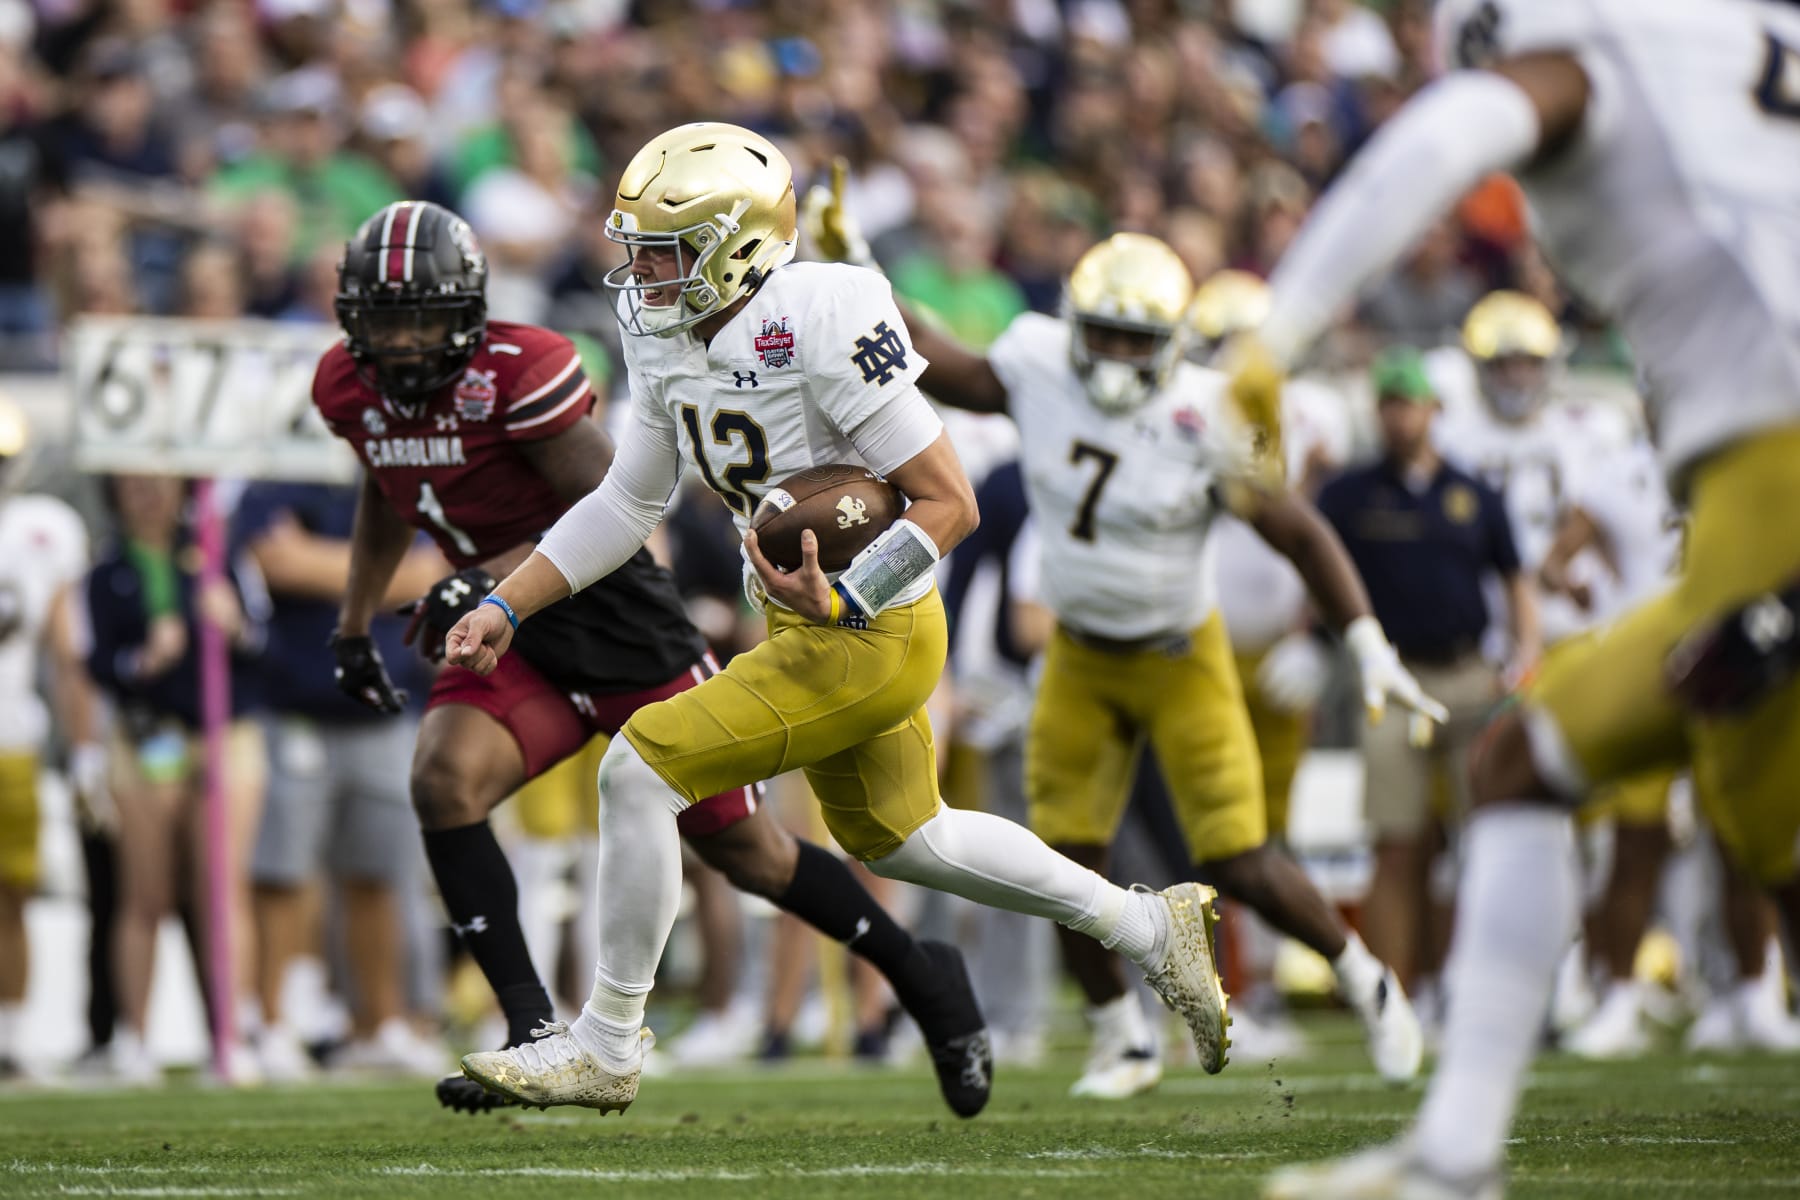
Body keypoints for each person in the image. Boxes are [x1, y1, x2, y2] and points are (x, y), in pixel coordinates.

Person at [443, 122, 1231, 1114]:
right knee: (908, 838)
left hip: (872, 626)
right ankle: (1151, 929)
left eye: (662, 250)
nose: (639, 271)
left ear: (735, 245)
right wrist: (510, 600)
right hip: (804, 622)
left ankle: (606, 1042)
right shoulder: (664, 328)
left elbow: (948, 500)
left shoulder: (821, 310)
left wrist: (849, 593)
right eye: (635, 246)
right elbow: (629, 501)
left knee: (637, 771)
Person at [1231, 1, 1800, 1194]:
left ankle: (1454, 1159)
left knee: (1764, 840)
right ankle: (1455, 1155)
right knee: (1535, 771)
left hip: (1776, 480)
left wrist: (1268, 338)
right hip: (1755, 505)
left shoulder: (1583, 57)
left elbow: (1444, 140)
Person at [314, 197, 992, 1118]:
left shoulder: (521, 371)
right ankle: (534, 1033)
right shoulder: (348, 391)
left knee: (749, 852)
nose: (401, 344)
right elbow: (389, 487)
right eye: (383, 322)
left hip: (620, 629)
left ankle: (921, 974)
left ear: (466, 310)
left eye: (421, 318)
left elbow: (609, 511)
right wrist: (356, 620)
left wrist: (484, 579)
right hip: (517, 637)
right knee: (442, 781)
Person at [870, 230, 1438, 1095]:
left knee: (1238, 856)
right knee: (1059, 861)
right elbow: (939, 364)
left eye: (1139, 338)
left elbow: (1299, 532)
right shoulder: (1037, 365)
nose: (1120, 354)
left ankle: (1365, 977)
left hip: (1181, 655)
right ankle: (1120, 1037)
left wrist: (1364, 641)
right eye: (1104, 332)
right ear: (1072, 326)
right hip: (1080, 656)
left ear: (1173, 339)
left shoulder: (1210, 412)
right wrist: (863, 279)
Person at [1315, 349, 1533, 1002]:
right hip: (1393, 675)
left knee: (1483, 842)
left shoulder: (1473, 492)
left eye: (1408, 403)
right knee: (1398, 843)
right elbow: (1317, 574)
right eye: (1388, 403)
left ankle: (1475, 987)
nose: (1398, 416)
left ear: (1434, 410)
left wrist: (1525, 655)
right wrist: (1313, 642)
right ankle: (1396, 995)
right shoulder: (1350, 494)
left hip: (1469, 673)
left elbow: (1515, 578)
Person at [0, 397, 103, 1078]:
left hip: (11, 735)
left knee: (10, 892)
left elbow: (68, 655)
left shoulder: (39, 528)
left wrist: (87, 746)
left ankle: (8, 1034)